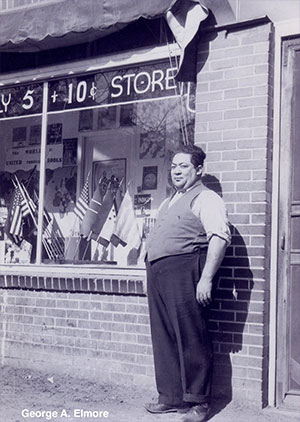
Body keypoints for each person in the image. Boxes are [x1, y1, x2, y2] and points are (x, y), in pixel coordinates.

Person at [144, 144, 231, 422]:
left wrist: (206, 278)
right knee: (164, 336)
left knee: (191, 336)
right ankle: (170, 397)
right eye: (174, 166)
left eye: (183, 166)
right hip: (159, 275)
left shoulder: (207, 198)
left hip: (186, 271)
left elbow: (219, 237)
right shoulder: (169, 201)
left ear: (199, 170)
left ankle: (198, 403)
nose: (177, 171)